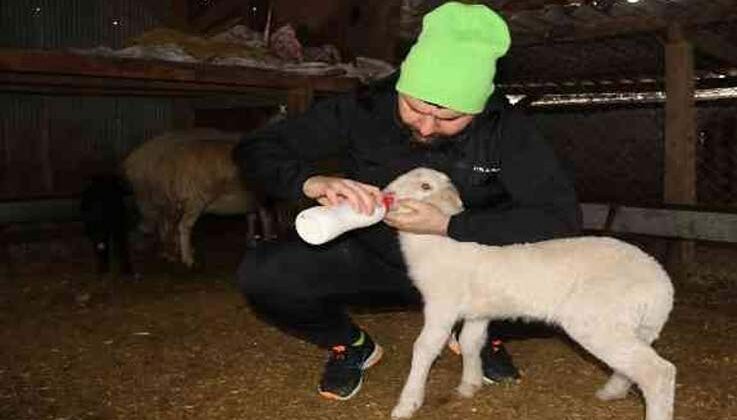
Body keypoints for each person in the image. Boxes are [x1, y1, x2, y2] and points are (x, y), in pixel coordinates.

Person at [233, 1, 580, 401]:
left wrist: (450, 226)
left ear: (479, 106)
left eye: (450, 118)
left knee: (561, 281)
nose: (428, 127)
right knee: (265, 274)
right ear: (401, 85)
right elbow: (256, 149)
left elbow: (560, 218)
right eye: (415, 108)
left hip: (470, 265)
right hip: (379, 257)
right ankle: (351, 345)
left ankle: (481, 333)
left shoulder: (507, 130)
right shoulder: (363, 108)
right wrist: (311, 182)